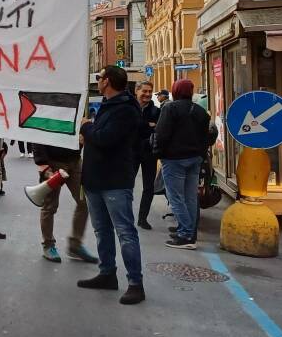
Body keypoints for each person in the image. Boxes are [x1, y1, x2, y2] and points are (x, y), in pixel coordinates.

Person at [77, 65, 146, 305]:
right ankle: (107, 273)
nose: (97, 80)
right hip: (96, 179)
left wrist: (87, 127)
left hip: (115, 180)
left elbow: (105, 139)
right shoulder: (109, 106)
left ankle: (135, 283)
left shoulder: (125, 110)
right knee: (102, 230)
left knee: (125, 232)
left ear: (108, 82)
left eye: (99, 77)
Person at [155, 78, 212, 250]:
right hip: (195, 159)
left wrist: (159, 153)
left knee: (176, 197)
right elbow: (206, 136)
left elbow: (162, 134)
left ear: (175, 91)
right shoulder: (201, 111)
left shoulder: (170, 108)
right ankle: (189, 231)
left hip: (174, 159)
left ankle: (186, 235)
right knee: (189, 197)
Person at [31, 141, 98, 264]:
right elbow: (37, 129)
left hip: (75, 161)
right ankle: (48, 245)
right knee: (50, 205)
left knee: (84, 201)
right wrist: (42, 163)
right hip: (53, 162)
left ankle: (75, 245)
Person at [135, 81, 161, 230]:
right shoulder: (130, 108)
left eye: (150, 91)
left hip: (150, 152)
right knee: (126, 186)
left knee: (149, 187)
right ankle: (125, 216)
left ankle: (142, 218)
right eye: (144, 91)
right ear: (137, 91)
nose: (147, 94)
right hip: (131, 151)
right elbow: (129, 125)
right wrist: (147, 125)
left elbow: (159, 128)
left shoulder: (156, 111)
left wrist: (145, 125)